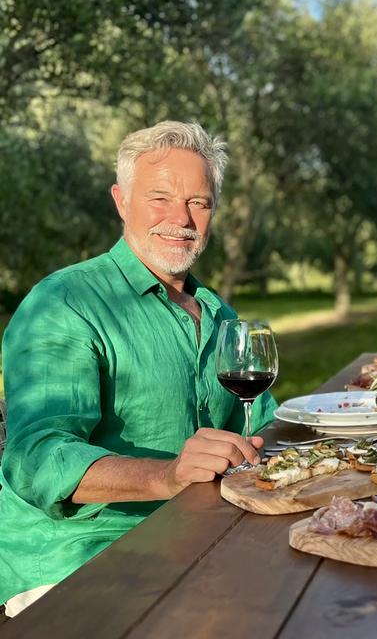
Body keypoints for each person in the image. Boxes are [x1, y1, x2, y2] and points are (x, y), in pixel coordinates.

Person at [0, 121, 277, 616]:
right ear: (121, 200)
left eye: (199, 202)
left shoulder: (219, 314)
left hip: (199, 536)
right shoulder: (64, 303)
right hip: (78, 560)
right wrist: (166, 475)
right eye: (160, 198)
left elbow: (263, 428)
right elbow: (37, 459)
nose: (181, 218)